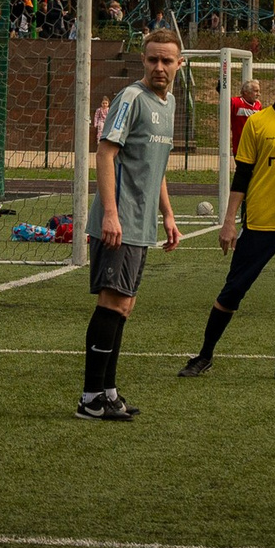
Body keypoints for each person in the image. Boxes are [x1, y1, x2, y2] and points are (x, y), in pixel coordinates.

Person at [181, 56, 275, 380]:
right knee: (233, 291)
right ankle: (204, 355)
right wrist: (228, 222)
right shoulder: (258, 123)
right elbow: (243, 177)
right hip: (260, 225)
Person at [79, 28, 182, 420]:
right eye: (153, 59)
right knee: (112, 303)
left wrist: (168, 214)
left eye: (167, 60)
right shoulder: (131, 98)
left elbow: (156, 168)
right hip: (118, 221)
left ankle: (108, 390)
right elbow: (105, 154)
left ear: (178, 64)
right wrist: (110, 212)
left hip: (141, 222)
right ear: (144, 59)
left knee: (125, 306)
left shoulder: (168, 102)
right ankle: (90, 399)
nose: (159, 66)